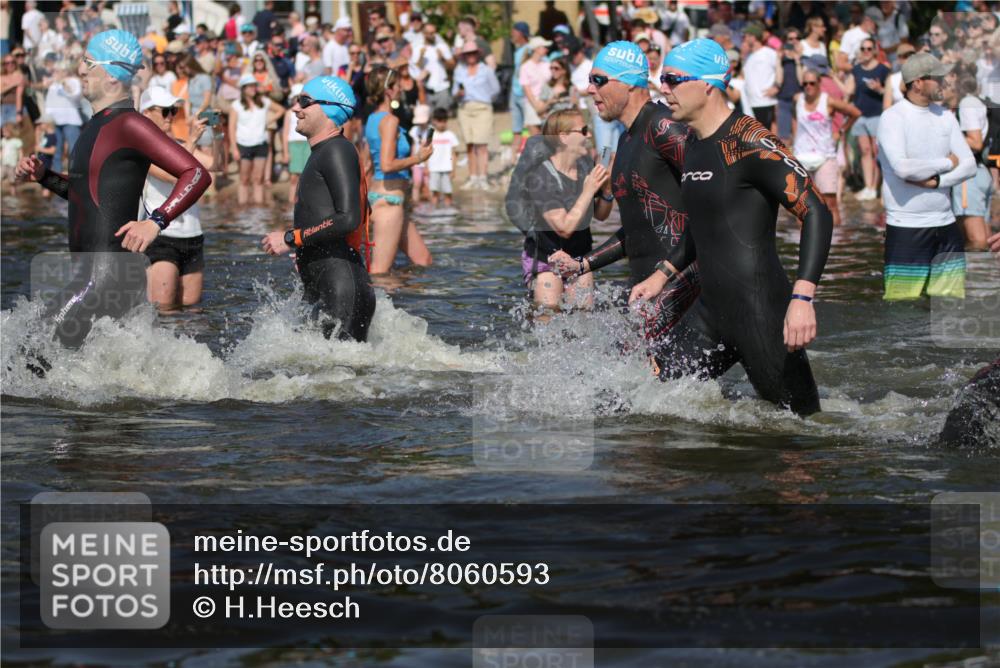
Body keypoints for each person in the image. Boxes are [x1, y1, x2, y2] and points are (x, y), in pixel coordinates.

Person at [651, 39, 834, 416]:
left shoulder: (750, 140)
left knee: (804, 431)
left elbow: (817, 211)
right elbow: (706, 222)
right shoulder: (693, 143)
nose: (662, 87)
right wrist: (663, 274)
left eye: (672, 79)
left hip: (761, 313)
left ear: (707, 84)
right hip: (710, 313)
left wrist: (802, 299)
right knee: (648, 406)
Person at [14, 30, 210, 351]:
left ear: (112, 76)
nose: (80, 69)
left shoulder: (130, 124)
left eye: (89, 62)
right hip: (94, 277)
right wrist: (44, 176)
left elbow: (197, 173)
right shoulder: (95, 125)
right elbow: (87, 196)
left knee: (31, 352)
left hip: (104, 279)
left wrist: (156, 221)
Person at [550, 41, 699, 352]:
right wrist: (582, 265)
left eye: (599, 80)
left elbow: (715, 204)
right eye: (589, 80)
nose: (589, 89)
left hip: (681, 289)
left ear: (630, 83)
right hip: (646, 290)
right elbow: (637, 228)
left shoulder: (664, 127)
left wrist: (666, 275)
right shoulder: (626, 138)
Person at [261, 75, 376, 342]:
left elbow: (349, 218)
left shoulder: (337, 151)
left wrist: (291, 238)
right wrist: (308, 248)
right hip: (329, 283)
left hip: (343, 287)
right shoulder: (325, 152)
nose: (295, 108)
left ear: (329, 108)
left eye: (304, 101)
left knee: (343, 369)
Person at [877, 52, 976, 301]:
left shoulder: (946, 116)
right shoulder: (893, 117)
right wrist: (947, 163)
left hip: (946, 225)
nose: (943, 82)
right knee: (902, 307)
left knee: (951, 305)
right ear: (918, 82)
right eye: (937, 77)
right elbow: (903, 168)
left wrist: (938, 181)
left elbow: (969, 165)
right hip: (906, 227)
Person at [520, 109, 613, 309]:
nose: (589, 135)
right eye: (584, 130)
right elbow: (564, 228)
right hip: (546, 258)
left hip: (580, 256)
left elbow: (601, 215)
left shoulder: (585, 166)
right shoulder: (540, 176)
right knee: (548, 314)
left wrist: (607, 190)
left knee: (584, 316)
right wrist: (589, 190)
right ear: (563, 137)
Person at [139, 87, 212, 308]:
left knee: (192, 310)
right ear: (146, 113)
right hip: (162, 236)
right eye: (165, 111)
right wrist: (192, 141)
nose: (171, 116)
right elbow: (178, 176)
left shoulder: (180, 144)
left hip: (193, 235)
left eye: (174, 111)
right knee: (163, 310)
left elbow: (218, 165)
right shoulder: (142, 150)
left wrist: (217, 135)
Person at [364, 65, 433, 274]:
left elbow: (366, 163)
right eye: (397, 85)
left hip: (383, 199)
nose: (401, 89)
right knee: (380, 272)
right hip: (389, 203)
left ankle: (401, 292)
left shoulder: (372, 119)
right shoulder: (390, 121)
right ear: (388, 90)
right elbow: (386, 164)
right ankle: (380, 295)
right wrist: (418, 158)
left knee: (423, 260)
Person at [793, 70, 861, 226]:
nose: (808, 86)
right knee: (800, 205)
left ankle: (835, 238)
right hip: (801, 156)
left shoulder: (828, 101)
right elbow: (795, 122)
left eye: (812, 83)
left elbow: (855, 113)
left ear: (819, 84)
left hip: (825, 156)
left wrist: (842, 130)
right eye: (805, 83)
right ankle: (801, 239)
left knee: (830, 204)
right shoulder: (798, 99)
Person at [949, 75, 993, 251]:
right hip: (980, 172)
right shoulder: (974, 102)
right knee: (986, 236)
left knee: (976, 239)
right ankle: (989, 268)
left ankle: (978, 268)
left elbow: (975, 142)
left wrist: (946, 135)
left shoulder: (967, 103)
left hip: (969, 178)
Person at [845, 38, 890, 201]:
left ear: (875, 51)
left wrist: (880, 89)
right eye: (863, 48)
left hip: (877, 115)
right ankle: (868, 186)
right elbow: (849, 91)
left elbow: (890, 93)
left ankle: (875, 187)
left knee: (877, 152)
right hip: (860, 115)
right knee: (864, 151)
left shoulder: (883, 70)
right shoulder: (856, 70)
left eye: (869, 49)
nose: (866, 52)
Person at [229, 73, 283, 204]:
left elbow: (281, 110)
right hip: (243, 144)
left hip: (261, 143)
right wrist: (234, 148)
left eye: (254, 85)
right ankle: (243, 208)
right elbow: (231, 127)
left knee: (258, 179)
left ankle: (258, 210)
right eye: (250, 86)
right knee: (244, 179)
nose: (253, 88)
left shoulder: (264, 101)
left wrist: (269, 120)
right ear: (243, 88)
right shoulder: (236, 105)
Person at [452, 42, 500, 190]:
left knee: (482, 144)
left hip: (483, 108)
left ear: (478, 54)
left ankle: (483, 178)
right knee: (470, 144)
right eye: (468, 53)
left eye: (473, 53)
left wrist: (484, 99)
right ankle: (473, 177)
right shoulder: (459, 70)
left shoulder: (487, 70)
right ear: (464, 55)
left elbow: (496, 90)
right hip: (465, 109)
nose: (470, 56)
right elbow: (454, 91)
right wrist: (458, 94)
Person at [742, 22, 780, 132]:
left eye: (747, 36)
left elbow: (780, 69)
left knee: (766, 135)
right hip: (750, 103)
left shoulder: (769, 53)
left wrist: (777, 86)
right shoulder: (748, 56)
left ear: (753, 37)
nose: (744, 39)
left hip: (765, 101)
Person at [426, 106, 459, 210]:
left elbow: (453, 154)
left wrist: (453, 169)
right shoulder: (430, 135)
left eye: (444, 121)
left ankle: (448, 211)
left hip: (447, 169)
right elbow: (426, 152)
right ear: (434, 121)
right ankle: (434, 211)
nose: (442, 124)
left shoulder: (450, 135)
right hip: (433, 169)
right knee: (434, 192)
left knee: (448, 192)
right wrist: (426, 167)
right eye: (439, 121)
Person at [519, 36, 553, 135]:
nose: (546, 49)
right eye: (544, 47)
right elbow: (527, 89)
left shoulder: (547, 64)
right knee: (536, 139)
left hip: (547, 104)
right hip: (532, 105)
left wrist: (544, 105)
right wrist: (537, 106)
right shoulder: (525, 67)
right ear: (536, 49)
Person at [284, 82, 310, 205]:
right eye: (296, 98)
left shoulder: (307, 112)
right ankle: (291, 202)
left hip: (306, 144)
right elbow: (285, 134)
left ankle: (302, 202)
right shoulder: (289, 113)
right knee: (294, 176)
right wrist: (285, 152)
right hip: (294, 145)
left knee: (306, 175)